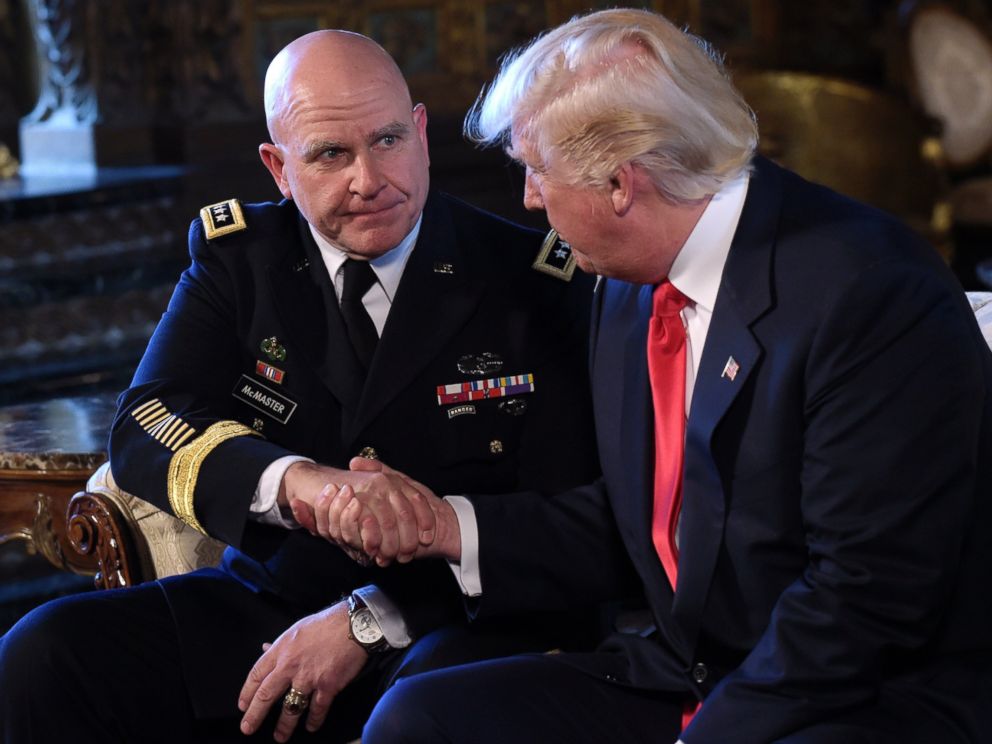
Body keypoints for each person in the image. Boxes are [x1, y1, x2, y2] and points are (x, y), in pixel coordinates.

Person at [327, 9, 992, 743]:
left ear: (620, 184)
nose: (529, 200)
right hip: (691, 674)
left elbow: (864, 602)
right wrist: (445, 528)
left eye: (534, 170)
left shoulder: (869, 290)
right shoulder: (624, 284)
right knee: (420, 722)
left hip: (857, 698)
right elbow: (643, 521)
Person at [0, 30, 604, 743]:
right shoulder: (240, 261)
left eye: (385, 141)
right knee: (45, 652)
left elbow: (576, 521)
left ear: (421, 134)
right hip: (270, 607)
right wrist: (302, 486)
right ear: (279, 169)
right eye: (329, 155)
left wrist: (370, 618)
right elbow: (147, 424)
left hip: (452, 620)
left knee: (421, 713)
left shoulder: (531, 280)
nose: (368, 179)